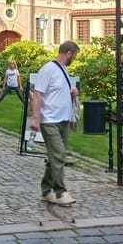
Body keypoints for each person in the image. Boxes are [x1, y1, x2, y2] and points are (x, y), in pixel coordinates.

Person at [29, 41, 80, 206]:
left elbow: (61, 91)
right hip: (49, 120)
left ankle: (46, 190)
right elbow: (37, 94)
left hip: (62, 119)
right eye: (75, 55)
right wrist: (36, 118)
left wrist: (74, 92)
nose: (75, 58)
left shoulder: (64, 70)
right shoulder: (48, 69)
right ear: (69, 53)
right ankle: (60, 192)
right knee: (59, 155)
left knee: (54, 157)